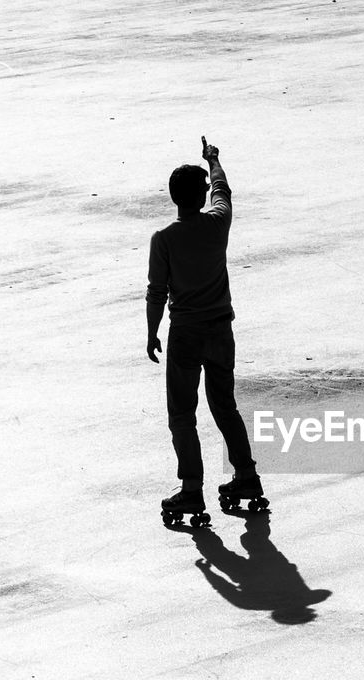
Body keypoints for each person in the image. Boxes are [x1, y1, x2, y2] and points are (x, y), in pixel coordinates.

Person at [146, 136, 261, 515]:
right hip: (220, 331)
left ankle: (192, 488)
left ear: (173, 197)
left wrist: (152, 333)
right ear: (201, 196)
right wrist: (213, 159)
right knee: (224, 406)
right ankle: (246, 475)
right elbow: (223, 189)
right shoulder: (217, 224)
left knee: (182, 414)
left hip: (185, 335)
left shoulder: (164, 239)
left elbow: (157, 292)